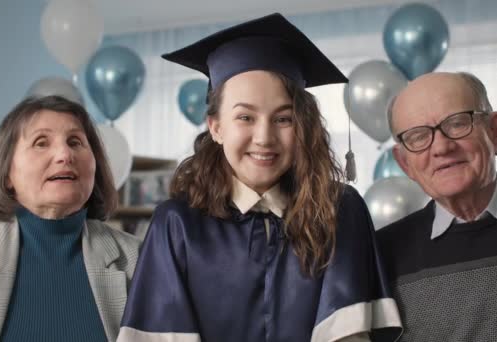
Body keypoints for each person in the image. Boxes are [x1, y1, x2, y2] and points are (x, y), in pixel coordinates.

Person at [119, 13, 402, 342]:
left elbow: (348, 336)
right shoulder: (177, 224)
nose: (264, 137)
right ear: (216, 127)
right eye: (245, 117)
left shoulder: (338, 210)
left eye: (283, 118)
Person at [0, 95, 141, 341]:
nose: (64, 155)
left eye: (75, 142)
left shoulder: (139, 260)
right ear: (7, 173)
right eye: (41, 142)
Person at [377, 71, 497, 341]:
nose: (442, 147)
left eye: (457, 124)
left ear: (495, 132)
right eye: (418, 136)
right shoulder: (381, 256)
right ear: (404, 163)